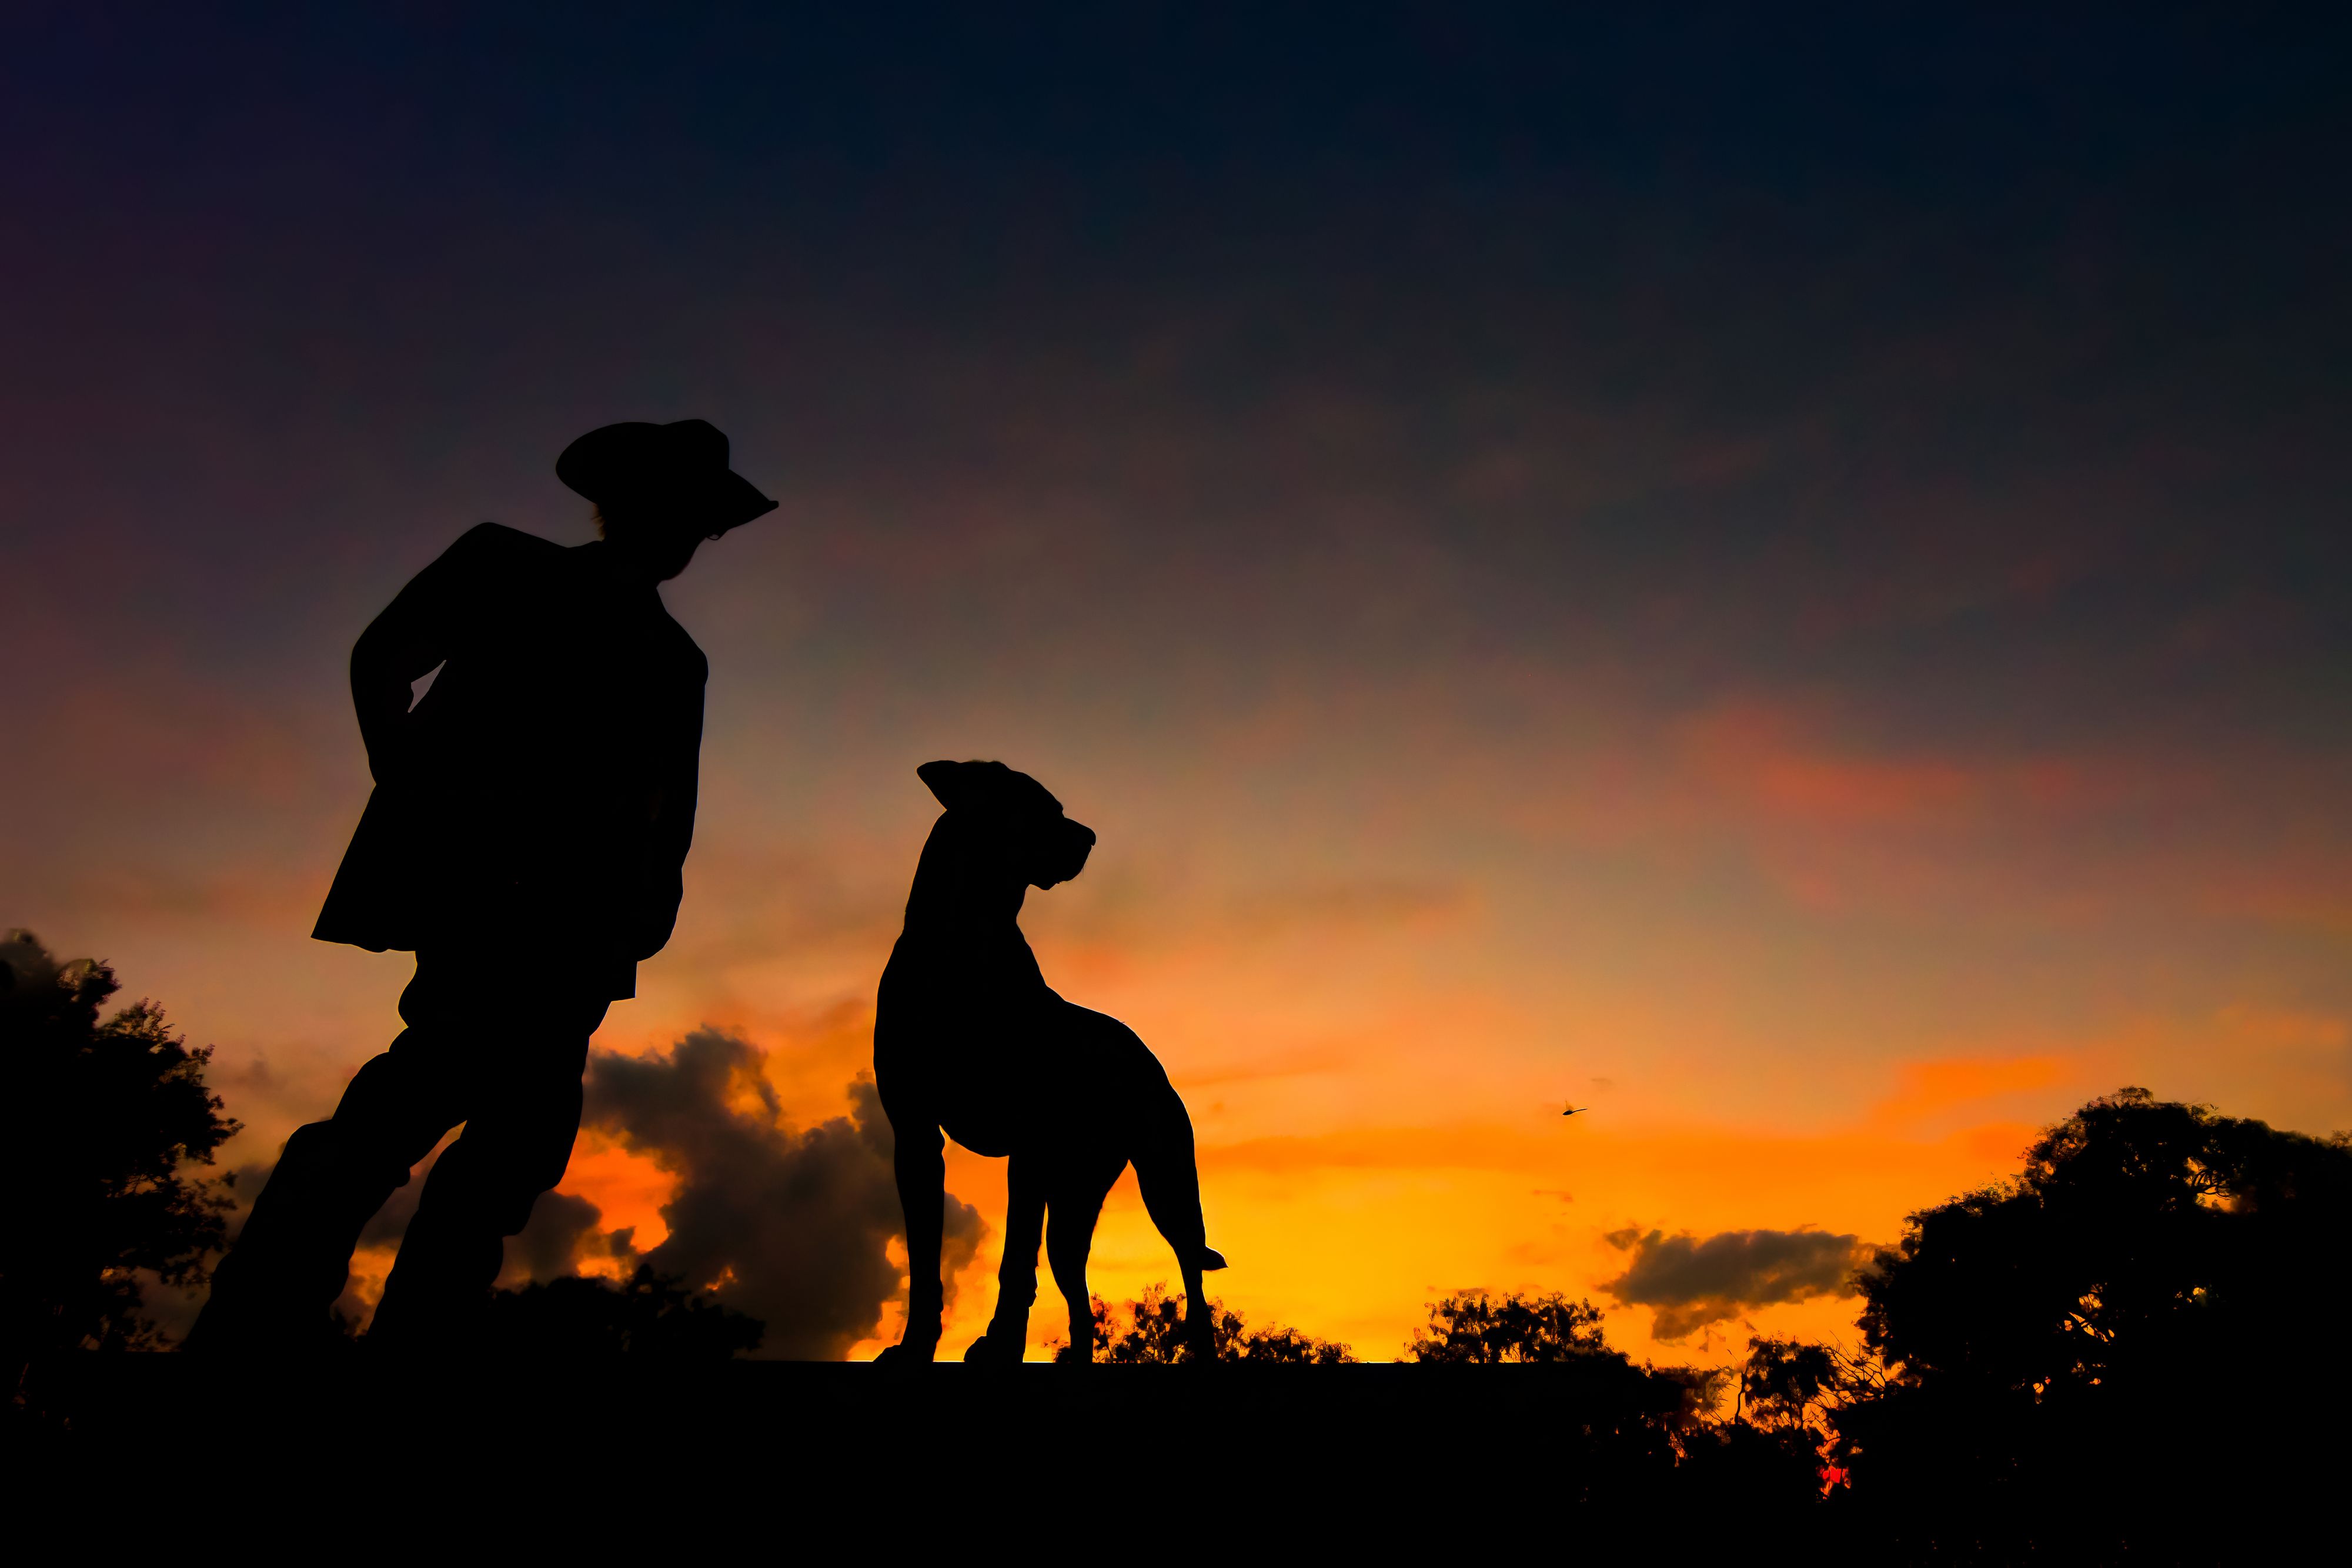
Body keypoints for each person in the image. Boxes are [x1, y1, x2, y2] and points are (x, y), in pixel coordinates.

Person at [191, 420, 776, 1353]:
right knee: (427, 1088)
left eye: (704, 521)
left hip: (583, 926)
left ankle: (415, 1336)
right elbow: (383, 659)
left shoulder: (677, 661)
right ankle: (258, 1317)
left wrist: (645, 909)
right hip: (484, 893)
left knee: (522, 1134)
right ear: (625, 503)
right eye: (680, 511)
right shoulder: (508, 566)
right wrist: (422, 802)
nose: (692, 536)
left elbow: (671, 801)